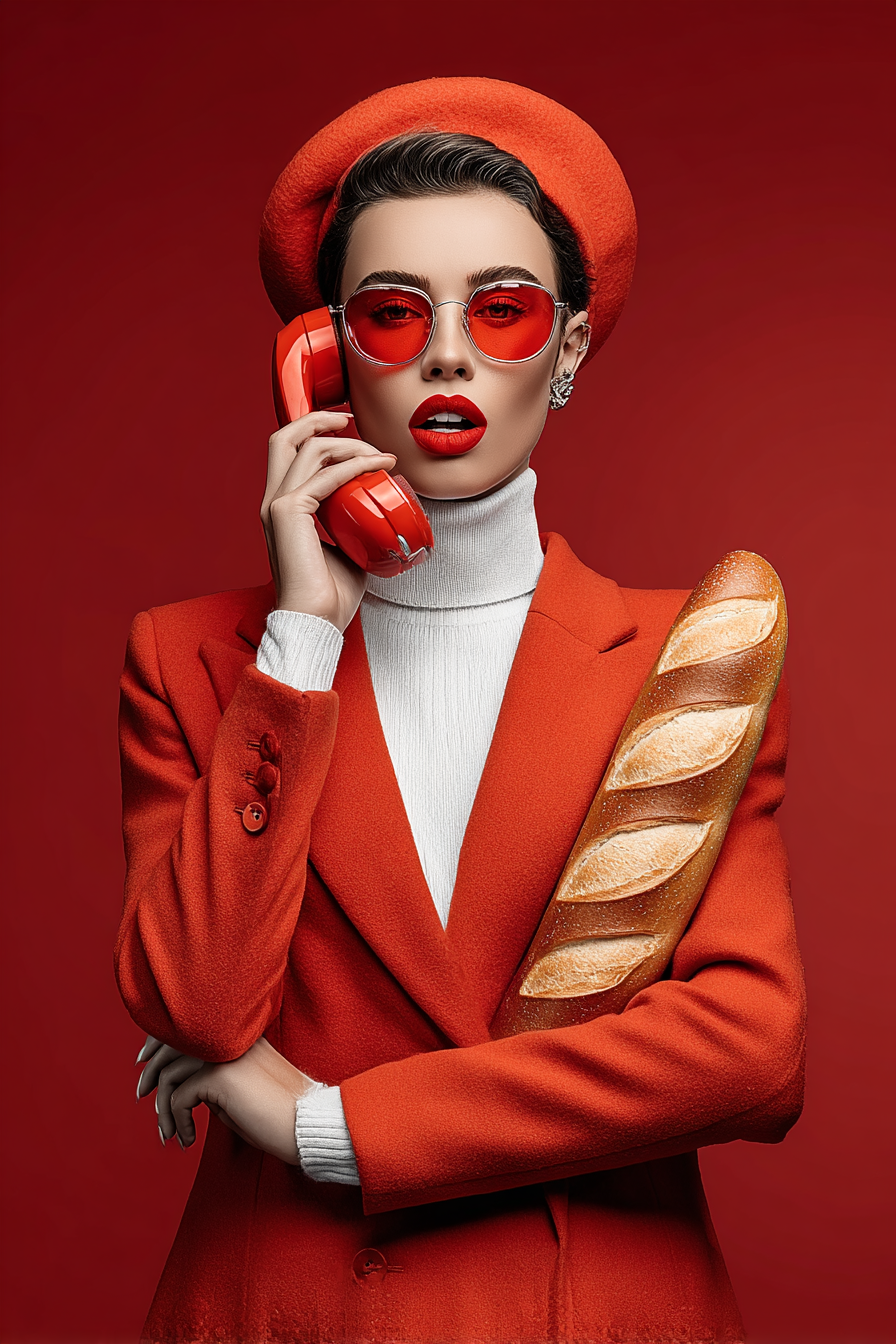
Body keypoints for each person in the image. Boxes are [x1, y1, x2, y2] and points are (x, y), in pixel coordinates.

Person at [116, 77, 806, 1344]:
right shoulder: (197, 662)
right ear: (320, 357)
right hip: (292, 1309)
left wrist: (322, 1125)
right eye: (390, 314)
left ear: (569, 348)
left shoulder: (683, 657)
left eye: (500, 310)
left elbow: (747, 1047)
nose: (447, 354)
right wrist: (303, 632)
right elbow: (202, 1007)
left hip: (588, 1312)